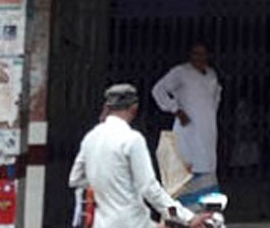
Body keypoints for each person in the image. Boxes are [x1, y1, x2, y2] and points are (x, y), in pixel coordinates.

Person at [69, 84, 210, 228]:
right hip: (133, 222)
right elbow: (149, 188)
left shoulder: (91, 138)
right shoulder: (132, 139)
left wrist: (105, 186)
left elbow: (75, 179)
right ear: (134, 108)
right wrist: (186, 218)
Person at [152, 42, 223, 195]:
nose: (199, 57)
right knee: (187, 165)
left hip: (208, 129)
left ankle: (205, 202)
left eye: (203, 54)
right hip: (188, 129)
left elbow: (216, 97)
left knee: (207, 166)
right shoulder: (181, 72)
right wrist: (176, 110)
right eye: (196, 53)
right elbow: (158, 90)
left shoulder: (211, 74)